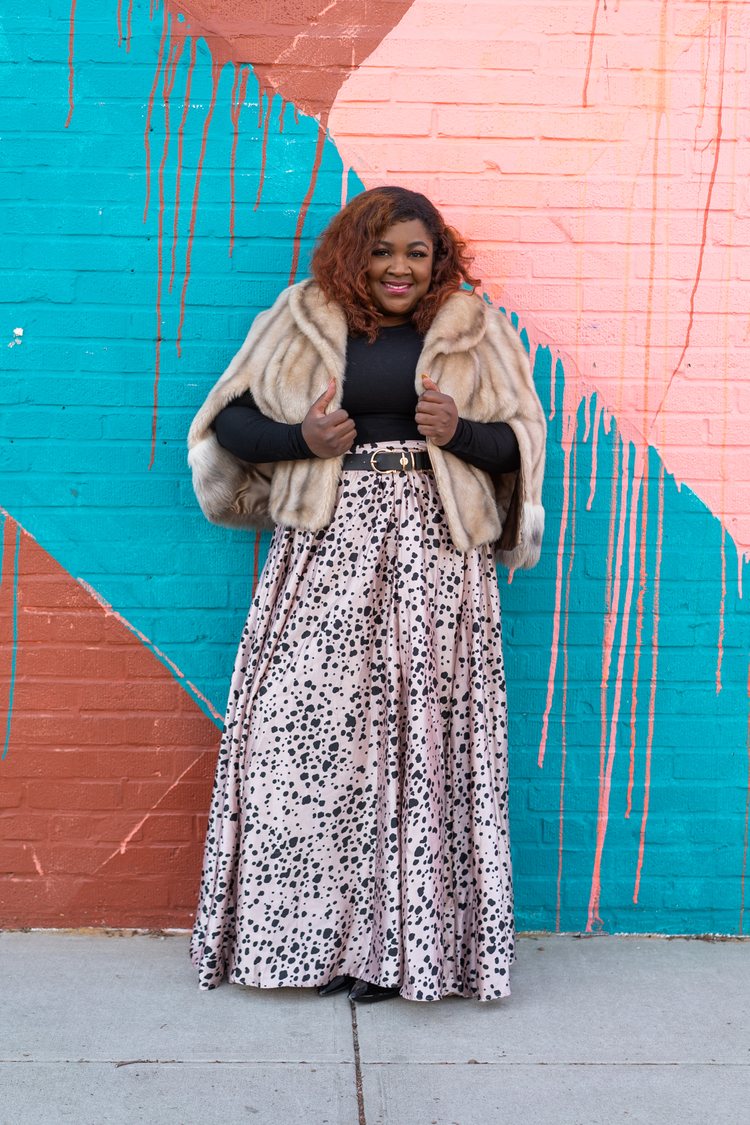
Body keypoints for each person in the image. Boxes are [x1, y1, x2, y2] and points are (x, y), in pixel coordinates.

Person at [187, 185, 546, 1003]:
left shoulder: (471, 329)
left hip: (434, 556)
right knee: (300, 740)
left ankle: (399, 953)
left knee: (420, 748)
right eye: (384, 250)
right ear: (355, 253)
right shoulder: (303, 317)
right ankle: (303, 941)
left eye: (417, 253)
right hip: (324, 545)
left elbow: (520, 444)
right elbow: (226, 421)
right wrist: (299, 439)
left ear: (437, 260)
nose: (400, 267)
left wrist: (460, 432)